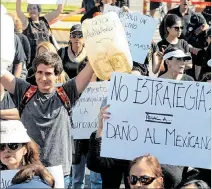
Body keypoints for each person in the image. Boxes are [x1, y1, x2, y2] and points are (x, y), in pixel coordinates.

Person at [0, 52, 94, 188]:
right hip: (28, 172)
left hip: (60, 174)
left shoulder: (67, 93)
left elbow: (90, 68)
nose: (43, 78)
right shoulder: (24, 91)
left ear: (57, 74)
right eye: (39, 72)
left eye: (48, 73)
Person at [87, 66, 145, 189]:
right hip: (112, 154)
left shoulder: (146, 103)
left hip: (135, 156)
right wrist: (101, 126)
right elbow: (102, 127)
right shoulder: (109, 100)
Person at [0, 120, 55, 188]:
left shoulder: (38, 176)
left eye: (13, 145)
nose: (6, 150)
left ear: (25, 149)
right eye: (1, 146)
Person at [16, 0, 64, 66]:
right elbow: (18, 11)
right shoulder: (27, 22)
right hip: (32, 59)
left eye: (34, 8)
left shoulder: (45, 19)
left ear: (39, 10)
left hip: (47, 57)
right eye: (30, 8)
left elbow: (59, 11)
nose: (32, 10)